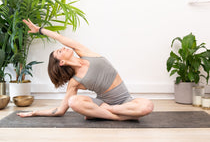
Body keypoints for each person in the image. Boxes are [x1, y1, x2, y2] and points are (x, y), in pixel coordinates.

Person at [17, 19, 154, 120]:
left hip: (125, 101)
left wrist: (39, 30)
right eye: (60, 51)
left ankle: (106, 112)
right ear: (62, 62)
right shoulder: (75, 81)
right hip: (102, 103)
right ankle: (119, 117)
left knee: (147, 106)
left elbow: (61, 38)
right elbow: (60, 110)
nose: (63, 47)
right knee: (73, 101)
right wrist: (35, 113)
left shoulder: (85, 53)